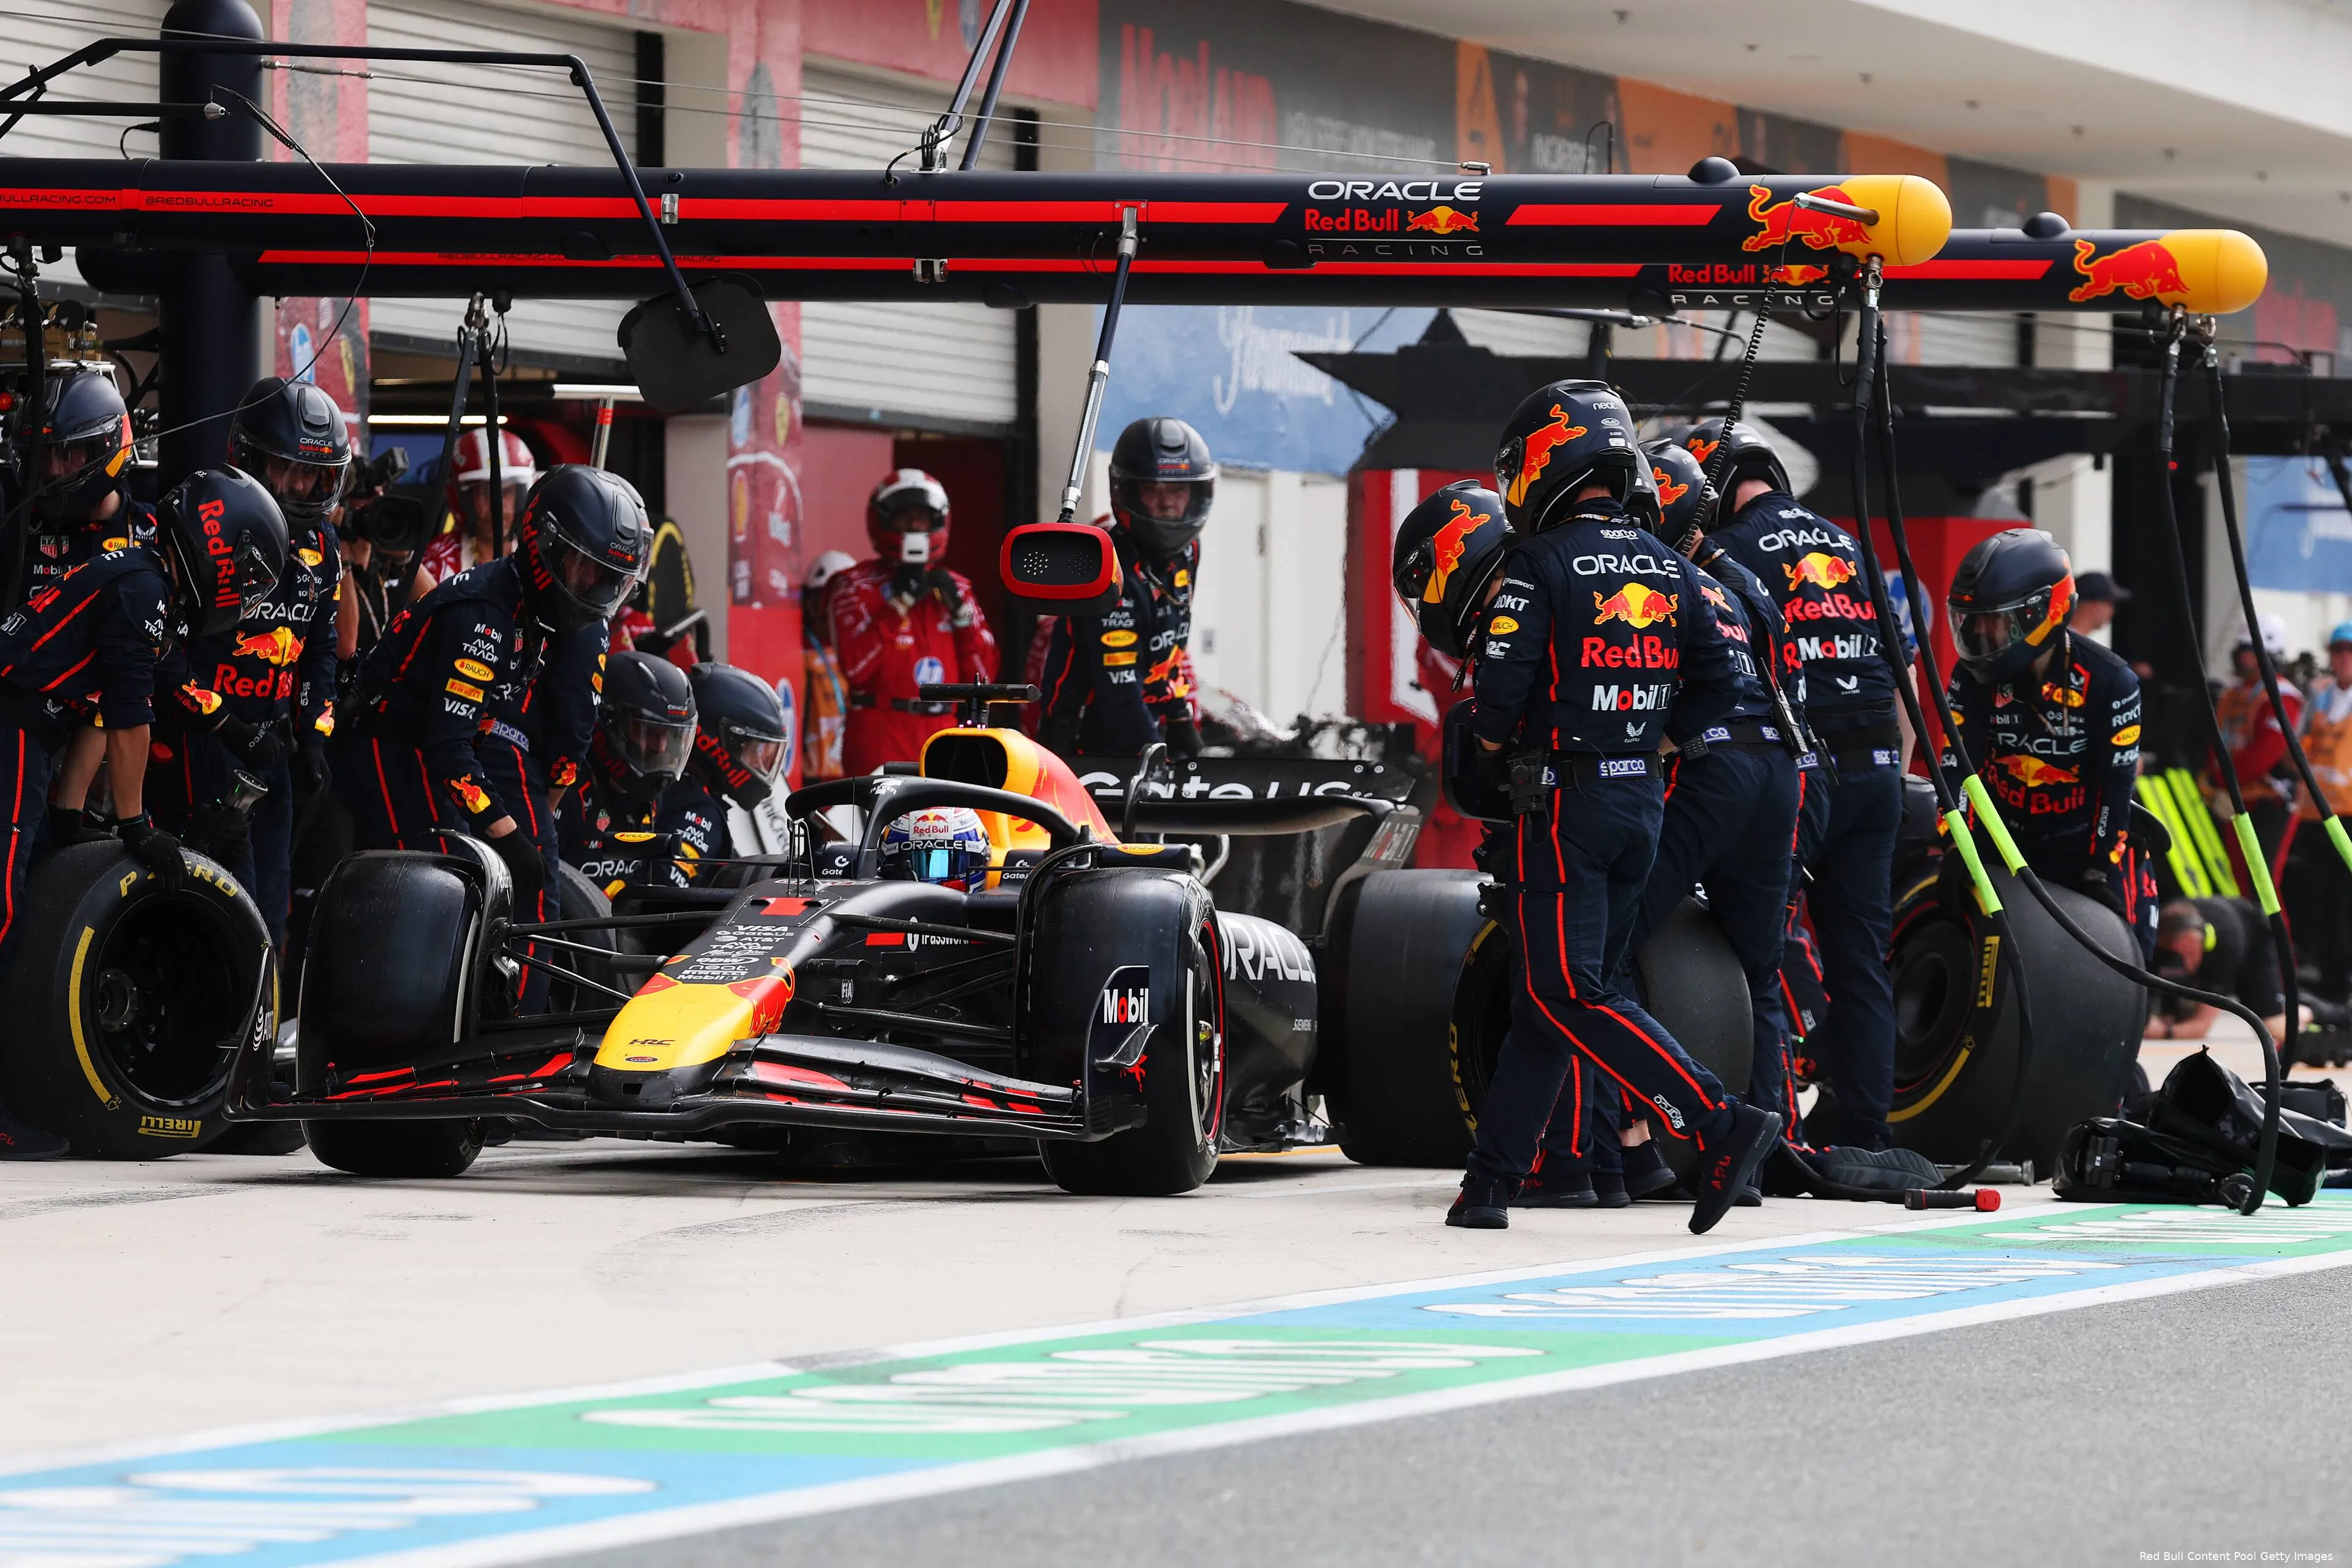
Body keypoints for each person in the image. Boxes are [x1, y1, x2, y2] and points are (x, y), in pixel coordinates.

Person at [1446, 380, 1777, 1234]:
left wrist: (1488, 753)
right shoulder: (1671, 565)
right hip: (1641, 802)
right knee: (1545, 998)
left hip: (1561, 804)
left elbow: (1495, 695)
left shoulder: (1534, 563)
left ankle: (1712, 1119)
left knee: (1567, 992)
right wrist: (1658, 743)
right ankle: (1488, 1184)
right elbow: (1730, 681)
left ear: (1539, 465)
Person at [0, 467, 287, 1158]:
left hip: (27, 731)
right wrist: (134, 825)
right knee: (3, 912)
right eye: (245, 574)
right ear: (220, 552)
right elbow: (129, 716)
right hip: (9, 724)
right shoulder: (142, 588)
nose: (246, 591)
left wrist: (71, 817)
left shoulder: (142, 578)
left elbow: (93, 701)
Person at [1696, 417, 1908, 1150]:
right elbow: (1903, 672)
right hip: (1880, 764)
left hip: (1804, 768)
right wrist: (1896, 769)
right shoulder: (1848, 545)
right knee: (1860, 951)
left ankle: (1773, 1113)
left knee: (1765, 934)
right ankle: (1864, 1124)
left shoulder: (1727, 548)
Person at [1617, 439, 1812, 1169]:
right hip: (1781, 775)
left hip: (1717, 769)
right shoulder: (1745, 581)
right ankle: (1760, 1160)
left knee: (1610, 938)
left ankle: (1632, 1138)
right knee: (1759, 971)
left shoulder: (1666, 582)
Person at [335, 464, 646, 917]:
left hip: (427, 751)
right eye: (585, 571)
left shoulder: (528, 604)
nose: (593, 589)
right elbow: (448, 747)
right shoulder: (486, 615)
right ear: (547, 547)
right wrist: (507, 833)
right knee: (438, 889)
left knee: (470, 886)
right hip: (385, 745)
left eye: (607, 579)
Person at [150, 377, 347, 944]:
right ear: (248, 458)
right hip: (198, 741)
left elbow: (322, 648)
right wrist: (227, 726)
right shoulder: (204, 527)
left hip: (270, 747)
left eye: (315, 473)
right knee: (221, 901)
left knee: (272, 904)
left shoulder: (324, 550)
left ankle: (262, 1022)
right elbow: (164, 655)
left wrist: (314, 736)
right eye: (287, 469)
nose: (302, 486)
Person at [1945, 528, 2155, 960]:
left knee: (2131, 954)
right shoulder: (1969, 678)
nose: (1981, 636)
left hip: (2084, 845)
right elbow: (1957, 765)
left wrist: (2100, 867)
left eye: (1995, 622)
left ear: (2042, 612)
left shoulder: (2111, 680)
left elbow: (2117, 785)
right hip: (2003, 843)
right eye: (1974, 623)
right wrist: (1954, 845)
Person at [1038, 418, 1215, 759]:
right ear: (1127, 493)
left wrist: (1180, 718)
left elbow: (1171, 646)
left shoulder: (1189, 552)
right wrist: (1158, 759)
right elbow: (1117, 691)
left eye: (1178, 490)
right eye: (1154, 490)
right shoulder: (1106, 565)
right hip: (1084, 733)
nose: (1167, 504)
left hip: (1150, 716)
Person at [830, 469, 996, 775]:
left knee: (946, 823)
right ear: (881, 521)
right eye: (906, 518)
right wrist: (898, 606)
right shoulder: (855, 586)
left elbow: (982, 678)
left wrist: (962, 618)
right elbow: (855, 669)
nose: (916, 527)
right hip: (881, 731)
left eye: (923, 518)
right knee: (876, 821)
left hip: (944, 732)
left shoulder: (957, 588)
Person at [567, 650, 705, 895]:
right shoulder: (567, 788)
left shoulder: (659, 797)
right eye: (647, 732)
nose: (660, 748)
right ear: (611, 722)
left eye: (671, 737)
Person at [19, 368, 154, 606]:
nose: (53, 470)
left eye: (69, 453)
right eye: (42, 454)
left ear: (106, 450)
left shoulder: (157, 532)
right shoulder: (15, 531)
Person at [2285, 622, 2352, 1005]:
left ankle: (2342, 980)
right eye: (2338, 649)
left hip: (2349, 814)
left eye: (2350, 650)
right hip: (2318, 814)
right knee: (2322, 900)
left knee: (2345, 900)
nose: (2343, 657)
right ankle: (2332, 979)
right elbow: (2297, 743)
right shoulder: (2319, 698)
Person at [670, 661, 793, 863]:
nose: (757, 763)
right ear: (717, 739)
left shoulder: (686, 796)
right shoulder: (697, 810)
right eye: (753, 750)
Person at [2212, 612, 2301, 885]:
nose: (2243, 658)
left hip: (2268, 802)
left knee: (2263, 885)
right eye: (2242, 650)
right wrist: (2214, 780)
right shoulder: (2232, 694)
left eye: (2251, 651)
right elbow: (2218, 740)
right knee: (2234, 879)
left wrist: (2223, 780)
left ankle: (2270, 930)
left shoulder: (2282, 697)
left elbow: (2265, 753)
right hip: (2233, 799)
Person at [2145, 895, 2299, 1042]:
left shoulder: (2225, 949)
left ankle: (2312, 1009)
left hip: (2254, 938)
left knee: (2273, 1026)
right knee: (2177, 1011)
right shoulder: (2155, 937)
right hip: (2215, 923)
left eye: (2192, 955)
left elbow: (2201, 1027)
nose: (2187, 964)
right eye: (2182, 956)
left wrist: (2165, 1032)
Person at [418, 427, 536, 589]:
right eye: (485, 492)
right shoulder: (436, 562)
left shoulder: (538, 557)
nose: (497, 505)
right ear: (462, 498)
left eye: (507, 491)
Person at [801, 550, 855, 783]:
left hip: (853, 771)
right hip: (810, 776)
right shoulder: (798, 648)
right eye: (822, 599)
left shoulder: (864, 652)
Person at [2073, 570, 2128, 636]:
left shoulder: (2065, 638)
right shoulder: (2065, 643)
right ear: (2096, 606)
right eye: (2110, 605)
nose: (2112, 611)